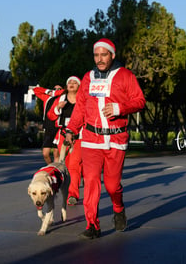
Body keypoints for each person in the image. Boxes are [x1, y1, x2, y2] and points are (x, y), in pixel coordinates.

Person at [65, 38, 146, 239]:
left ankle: (118, 208)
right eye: (96, 55)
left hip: (116, 140)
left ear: (112, 55)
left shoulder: (126, 75)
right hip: (91, 138)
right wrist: (71, 130)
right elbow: (81, 106)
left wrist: (120, 108)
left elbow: (140, 100)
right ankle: (93, 225)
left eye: (104, 55)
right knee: (91, 182)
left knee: (111, 185)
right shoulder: (88, 77)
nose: (99, 59)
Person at [47, 76, 83, 206]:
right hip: (63, 136)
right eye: (69, 82)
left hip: (78, 136)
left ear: (79, 86)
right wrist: (57, 108)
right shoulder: (60, 99)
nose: (72, 84)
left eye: (75, 82)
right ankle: (65, 191)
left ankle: (72, 195)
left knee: (74, 165)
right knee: (65, 166)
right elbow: (50, 115)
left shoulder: (83, 100)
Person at [32, 85, 64, 164]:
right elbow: (35, 90)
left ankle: (56, 172)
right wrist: (47, 91)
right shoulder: (47, 97)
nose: (56, 90)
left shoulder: (63, 98)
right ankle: (50, 168)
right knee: (45, 153)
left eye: (59, 89)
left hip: (58, 128)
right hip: (48, 127)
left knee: (56, 154)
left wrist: (57, 92)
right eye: (54, 89)